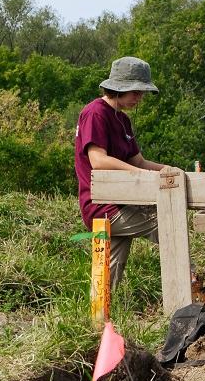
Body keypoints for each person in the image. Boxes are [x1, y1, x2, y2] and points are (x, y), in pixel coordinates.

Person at [74, 56, 174, 290]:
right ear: (119, 88)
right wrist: (142, 176)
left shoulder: (123, 119)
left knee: (110, 272)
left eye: (142, 93)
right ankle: (187, 286)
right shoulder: (95, 113)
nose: (139, 99)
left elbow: (137, 160)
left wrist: (167, 170)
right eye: (136, 93)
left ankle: (99, 319)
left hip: (120, 202)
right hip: (101, 205)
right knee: (167, 221)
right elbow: (98, 161)